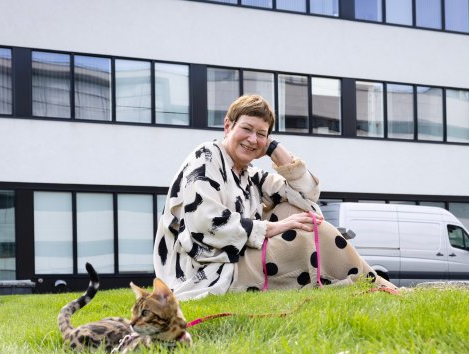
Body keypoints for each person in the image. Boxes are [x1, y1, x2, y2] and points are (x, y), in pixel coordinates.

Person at [153, 94, 396, 300]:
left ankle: (367, 283)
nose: (252, 140)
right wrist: (274, 227)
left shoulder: (248, 174)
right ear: (227, 126)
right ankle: (376, 284)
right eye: (246, 129)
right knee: (310, 232)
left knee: (299, 213)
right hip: (208, 268)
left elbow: (307, 194)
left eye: (261, 134)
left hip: (236, 257)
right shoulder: (206, 157)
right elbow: (207, 223)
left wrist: (273, 148)